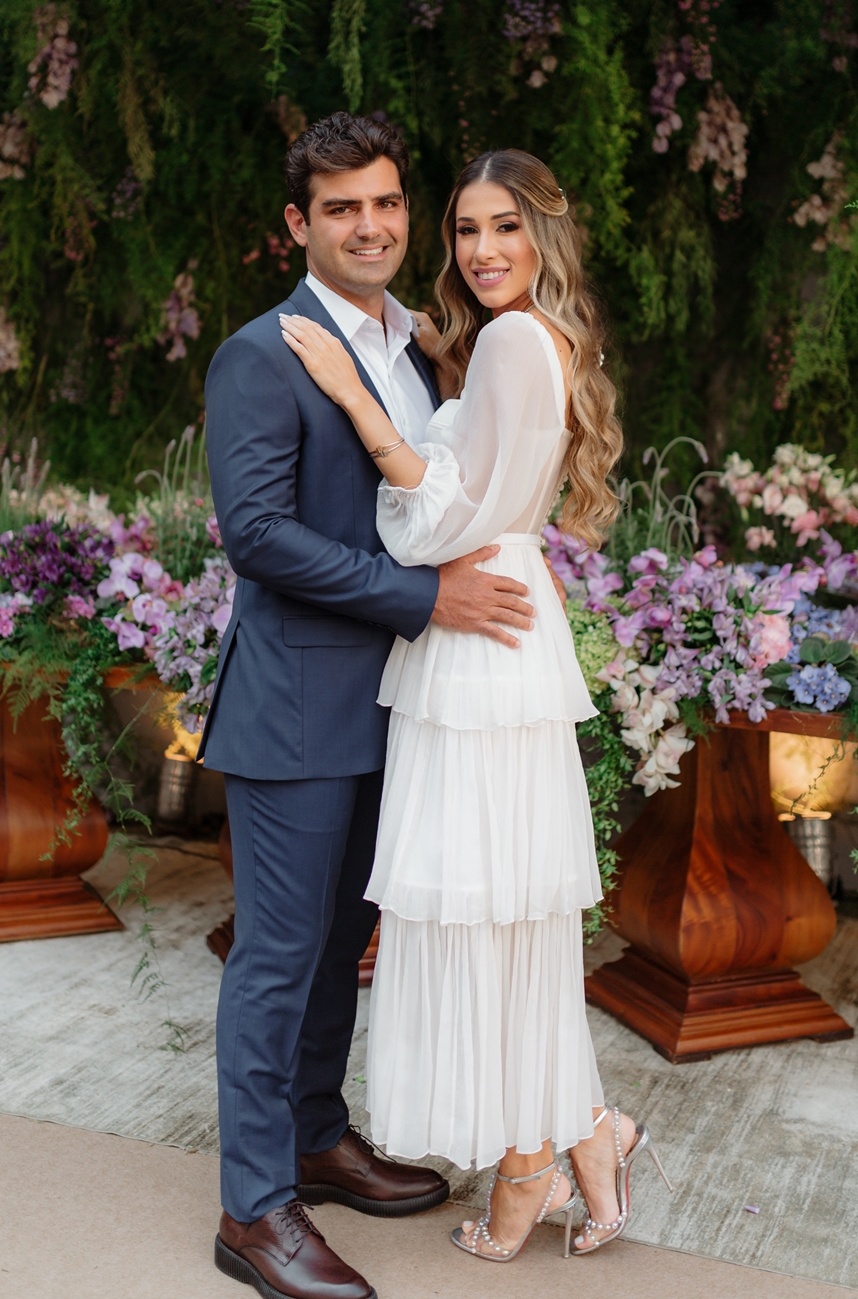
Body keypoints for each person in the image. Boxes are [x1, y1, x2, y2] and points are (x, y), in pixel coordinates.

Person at [279, 146, 673, 1264]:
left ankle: (535, 1156)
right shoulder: (526, 338)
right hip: (498, 627)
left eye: (504, 226)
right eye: (465, 229)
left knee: (485, 911)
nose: (483, 248)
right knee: (502, 915)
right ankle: (577, 1133)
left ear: (541, 233)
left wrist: (355, 396)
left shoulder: (510, 341)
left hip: (475, 627)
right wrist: (404, 339)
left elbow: (440, 519)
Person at [200, 113, 540, 1299]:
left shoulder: (426, 347)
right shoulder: (259, 354)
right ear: (298, 224)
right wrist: (426, 597)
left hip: (401, 704)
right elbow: (258, 535)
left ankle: (313, 1133)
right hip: (295, 708)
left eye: (385, 202)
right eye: (340, 207)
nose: (368, 226)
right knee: (277, 957)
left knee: (344, 945)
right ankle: (254, 1209)